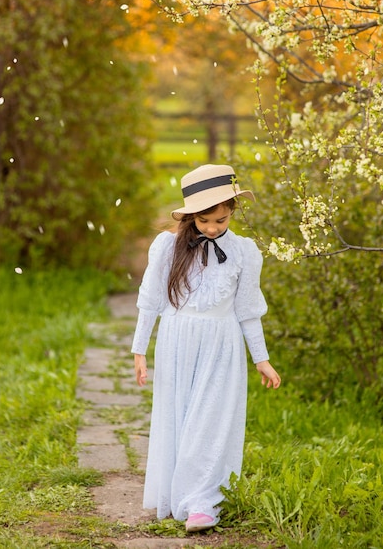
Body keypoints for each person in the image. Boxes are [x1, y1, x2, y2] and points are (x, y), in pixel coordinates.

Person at [131, 164, 281, 533]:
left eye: (221, 219)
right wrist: (139, 349)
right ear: (190, 215)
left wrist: (260, 359)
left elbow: (247, 311)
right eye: (204, 220)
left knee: (210, 420)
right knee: (180, 417)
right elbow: (149, 301)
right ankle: (178, 491)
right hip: (176, 342)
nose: (213, 228)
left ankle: (202, 501)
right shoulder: (167, 246)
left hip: (221, 344)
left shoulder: (245, 251)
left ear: (232, 211)